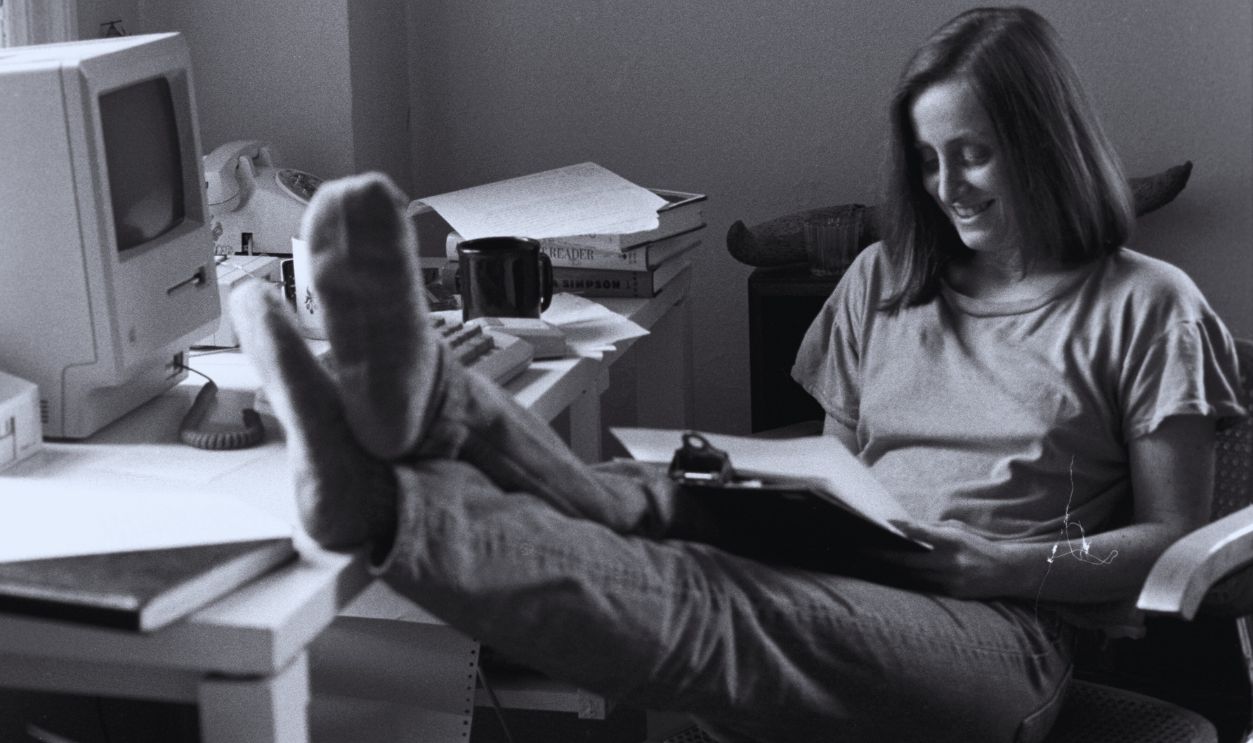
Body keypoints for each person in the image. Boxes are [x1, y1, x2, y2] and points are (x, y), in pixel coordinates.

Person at [231, 7, 1244, 743]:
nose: (946, 189)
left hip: (1004, 642)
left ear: (1043, 143)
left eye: (972, 156)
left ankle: (390, 505)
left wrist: (997, 563)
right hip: (860, 586)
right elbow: (836, 476)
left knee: (718, 612)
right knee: (649, 500)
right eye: (929, 162)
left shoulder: (1145, 304)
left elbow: (1170, 543)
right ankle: (435, 409)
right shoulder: (884, 281)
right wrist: (777, 509)